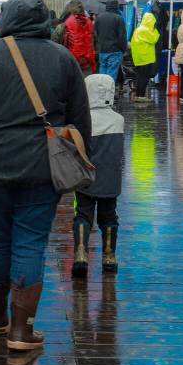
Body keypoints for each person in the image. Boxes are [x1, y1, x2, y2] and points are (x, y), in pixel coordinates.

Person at [0, 0, 91, 352]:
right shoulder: (63, 59)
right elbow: (80, 120)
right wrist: (81, 163)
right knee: (30, 242)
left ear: (6, 18)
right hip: (42, 168)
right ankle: (22, 332)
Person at [72, 74, 124, 278]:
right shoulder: (118, 120)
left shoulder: (82, 120)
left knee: (83, 214)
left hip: (85, 175)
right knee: (109, 215)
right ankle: (109, 255)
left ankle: (81, 253)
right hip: (111, 178)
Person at [59, 0, 96, 75]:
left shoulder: (65, 24)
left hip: (72, 62)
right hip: (87, 63)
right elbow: (93, 41)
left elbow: (58, 44)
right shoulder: (90, 22)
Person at [94, 0, 127, 82]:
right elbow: (122, 37)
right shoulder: (119, 18)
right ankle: (108, 94)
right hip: (115, 51)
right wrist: (123, 49)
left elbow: (96, 33)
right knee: (111, 76)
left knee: (102, 74)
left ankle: (101, 92)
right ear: (116, 7)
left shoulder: (99, 18)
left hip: (102, 50)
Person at [130, 12, 159, 103]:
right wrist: (155, 30)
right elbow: (154, 38)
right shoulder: (145, 30)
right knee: (144, 77)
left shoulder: (138, 29)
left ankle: (139, 95)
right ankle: (141, 96)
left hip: (139, 58)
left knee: (139, 77)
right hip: (145, 58)